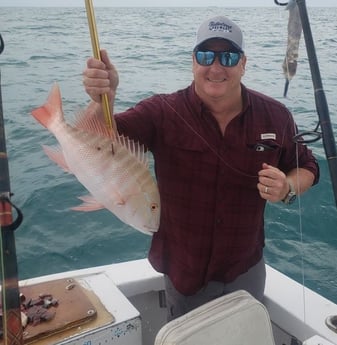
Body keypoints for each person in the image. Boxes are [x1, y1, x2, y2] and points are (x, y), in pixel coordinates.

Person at [82, 15, 319, 321]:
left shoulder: (275, 116)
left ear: (243, 63)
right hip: (184, 273)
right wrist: (103, 99)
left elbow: (308, 166)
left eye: (228, 56)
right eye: (206, 55)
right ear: (193, 62)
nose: (216, 67)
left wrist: (287, 188)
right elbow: (101, 141)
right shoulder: (161, 112)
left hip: (244, 268)